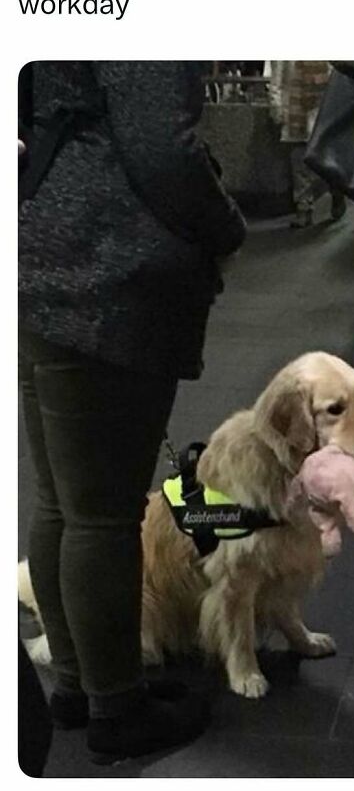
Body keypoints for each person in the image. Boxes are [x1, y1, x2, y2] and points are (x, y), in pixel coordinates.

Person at [18, 61, 246, 763]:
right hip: (108, 273)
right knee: (103, 516)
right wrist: (225, 226)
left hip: (43, 249)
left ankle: (79, 688)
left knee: (63, 501)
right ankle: (118, 709)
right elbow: (160, 148)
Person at [268, 60, 346, 227]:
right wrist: (277, 109)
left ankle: (336, 190)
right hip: (295, 115)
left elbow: (337, 77)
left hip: (323, 111)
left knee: (328, 159)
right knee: (299, 164)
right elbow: (276, 80)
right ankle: (303, 209)